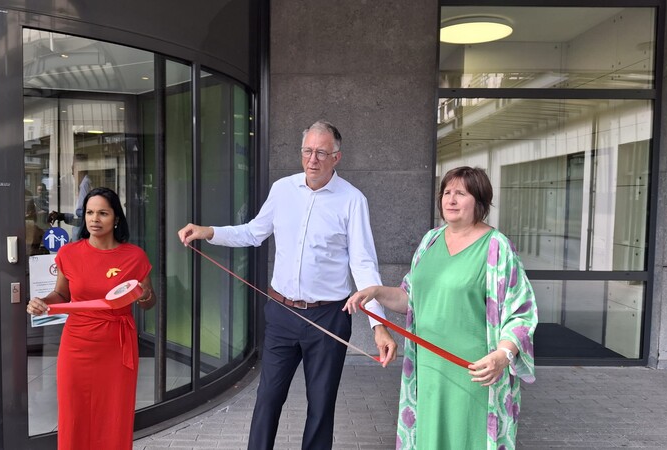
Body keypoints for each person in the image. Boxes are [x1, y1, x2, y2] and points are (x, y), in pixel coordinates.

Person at [178, 120, 398, 450]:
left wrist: (379, 327)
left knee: (321, 406)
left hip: (328, 318)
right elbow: (254, 233)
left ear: (336, 157)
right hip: (281, 313)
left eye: (321, 153)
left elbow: (365, 267)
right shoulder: (282, 190)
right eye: (307, 151)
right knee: (267, 398)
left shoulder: (353, 200)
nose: (313, 159)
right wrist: (209, 231)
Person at [344, 166, 538, 450]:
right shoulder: (430, 241)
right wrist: (375, 292)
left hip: (474, 371)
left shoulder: (497, 247)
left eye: (461, 193)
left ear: (480, 202)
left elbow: (521, 311)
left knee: (466, 440)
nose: (451, 199)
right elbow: (411, 299)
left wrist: (503, 355)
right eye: (447, 192)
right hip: (427, 367)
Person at [25, 187, 156, 450]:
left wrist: (145, 296)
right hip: (77, 345)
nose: (94, 219)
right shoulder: (69, 254)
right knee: (75, 415)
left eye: (103, 213)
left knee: (113, 415)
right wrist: (43, 303)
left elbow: (149, 303)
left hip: (117, 347)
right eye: (90, 212)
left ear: (116, 218)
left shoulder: (135, 256)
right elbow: (61, 294)